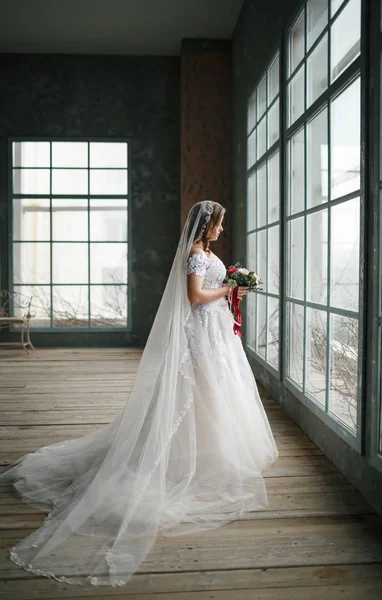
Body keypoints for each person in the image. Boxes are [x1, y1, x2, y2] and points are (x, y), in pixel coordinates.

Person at [0, 200, 279, 587]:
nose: (220, 230)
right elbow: (196, 297)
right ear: (205, 226)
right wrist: (230, 285)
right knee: (199, 394)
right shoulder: (196, 254)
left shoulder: (208, 252)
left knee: (215, 394)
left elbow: (210, 292)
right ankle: (184, 458)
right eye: (218, 225)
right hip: (200, 333)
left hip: (215, 331)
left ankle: (212, 451)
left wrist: (232, 290)